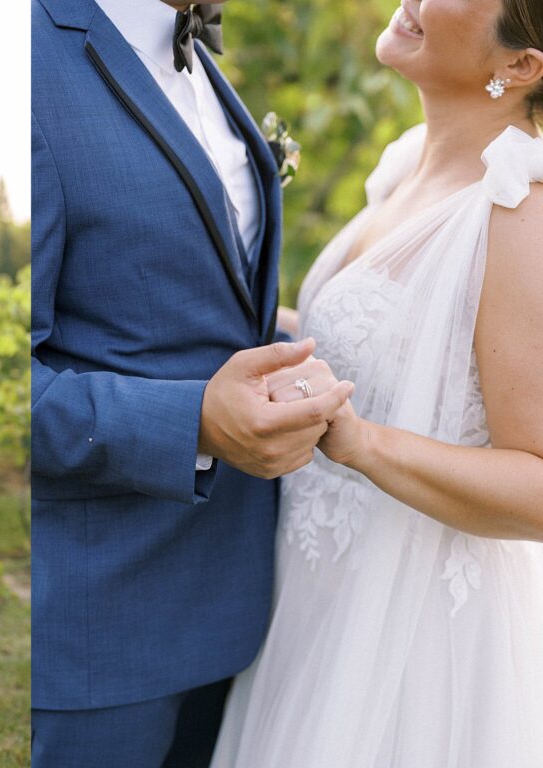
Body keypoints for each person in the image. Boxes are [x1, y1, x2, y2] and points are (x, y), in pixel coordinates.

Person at [211, 0, 543, 765]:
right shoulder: (405, 164)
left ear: (519, 66)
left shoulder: (518, 210)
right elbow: (384, 348)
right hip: (314, 604)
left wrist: (361, 443)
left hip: (413, 638)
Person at [31, 0, 354, 765]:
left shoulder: (199, 59)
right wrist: (195, 422)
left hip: (237, 611)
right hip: (99, 627)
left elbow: (189, 302)